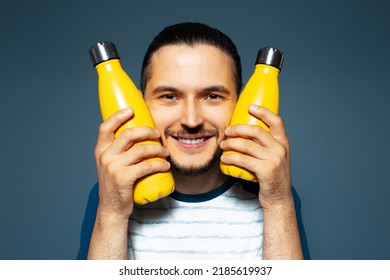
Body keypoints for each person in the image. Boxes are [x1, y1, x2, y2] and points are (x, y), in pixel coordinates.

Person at [77, 22, 310, 260]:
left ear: (241, 104)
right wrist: (112, 212)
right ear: (138, 105)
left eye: (212, 96)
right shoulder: (110, 194)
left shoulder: (276, 193)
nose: (191, 120)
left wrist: (280, 205)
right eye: (169, 96)